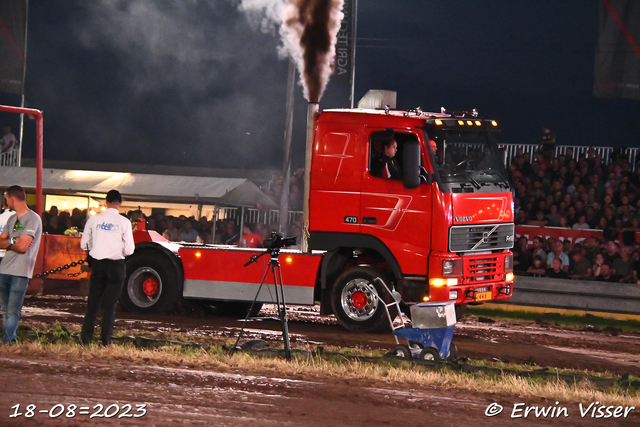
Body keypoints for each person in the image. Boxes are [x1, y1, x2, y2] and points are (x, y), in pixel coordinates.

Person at [80, 190, 135, 346]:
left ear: (106, 202)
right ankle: (104, 341)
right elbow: (130, 250)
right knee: (110, 306)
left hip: (98, 264)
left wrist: (94, 246)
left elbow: (84, 244)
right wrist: (118, 249)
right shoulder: (124, 222)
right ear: (121, 202)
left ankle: (86, 339)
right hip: (116, 265)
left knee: (93, 304)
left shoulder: (94, 219)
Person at [0, 185, 43, 344]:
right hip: (5, 269)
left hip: (20, 271)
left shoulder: (33, 219)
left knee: (11, 311)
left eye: (6, 198)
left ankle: (8, 341)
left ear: (11, 199)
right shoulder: (12, 219)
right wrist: (14, 241)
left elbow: (23, 246)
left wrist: (9, 242)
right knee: (7, 310)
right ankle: (9, 340)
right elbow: (2, 241)